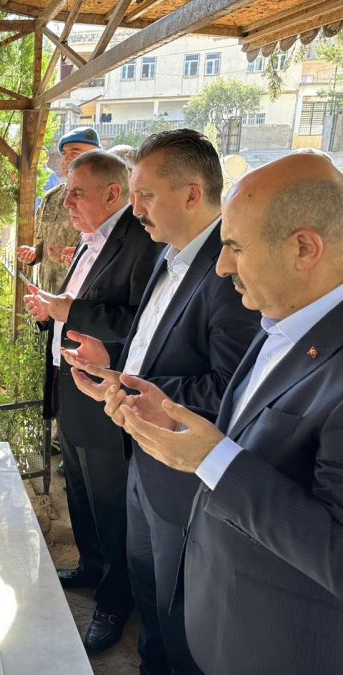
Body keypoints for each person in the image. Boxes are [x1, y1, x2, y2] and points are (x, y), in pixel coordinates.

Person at [117, 154, 343, 675]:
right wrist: (170, 412)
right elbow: (247, 425)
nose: (220, 267)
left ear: (304, 248)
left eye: (235, 248)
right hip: (223, 619)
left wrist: (213, 458)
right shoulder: (279, 322)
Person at [63, 130, 261, 674]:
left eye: (146, 195)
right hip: (144, 460)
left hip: (186, 477)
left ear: (193, 194)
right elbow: (158, 343)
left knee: (179, 617)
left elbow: (232, 388)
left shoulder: (231, 272)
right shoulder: (169, 255)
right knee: (149, 596)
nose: (135, 208)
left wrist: (135, 388)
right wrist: (117, 355)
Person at [24, 150, 161, 652]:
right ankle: (90, 566)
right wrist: (51, 314)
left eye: (77, 191)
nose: (67, 201)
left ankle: (113, 600)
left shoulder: (141, 244)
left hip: (106, 392)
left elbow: (138, 323)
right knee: (77, 487)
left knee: (109, 500)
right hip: (72, 386)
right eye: (66, 190)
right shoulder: (90, 242)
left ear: (113, 193)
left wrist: (71, 309)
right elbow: (79, 308)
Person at [18, 127, 101, 293]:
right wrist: (34, 254)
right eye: (64, 153)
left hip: (79, 300)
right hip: (48, 296)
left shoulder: (105, 201)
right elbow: (42, 243)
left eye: (75, 153)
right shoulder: (52, 197)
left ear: (97, 157)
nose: (66, 159)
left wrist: (75, 258)